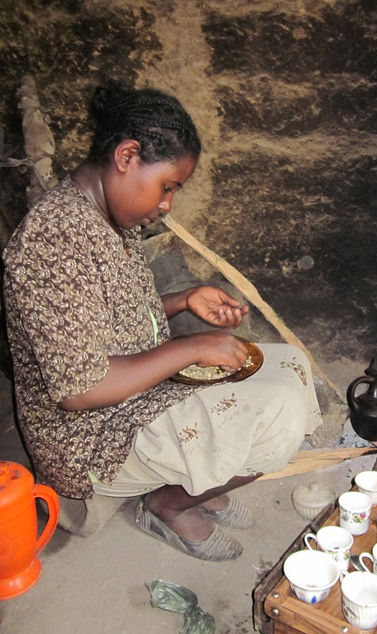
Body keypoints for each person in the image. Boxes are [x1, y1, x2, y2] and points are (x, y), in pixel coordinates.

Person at [3, 82, 322, 561]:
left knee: (289, 364)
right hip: (92, 436)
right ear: (128, 156)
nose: (167, 204)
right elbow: (78, 390)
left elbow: (111, 315)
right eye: (168, 186)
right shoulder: (53, 240)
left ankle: (193, 480)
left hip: (135, 391)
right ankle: (166, 504)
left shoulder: (108, 218)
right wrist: (192, 348)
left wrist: (184, 300)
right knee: (278, 417)